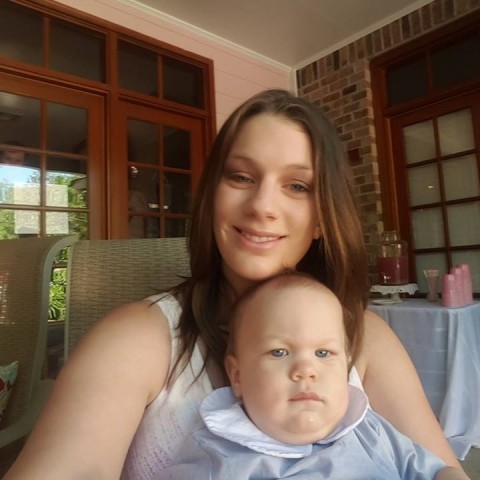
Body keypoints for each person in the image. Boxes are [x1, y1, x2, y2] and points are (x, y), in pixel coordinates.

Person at [4, 89, 467, 479]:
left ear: (322, 218)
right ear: (212, 197)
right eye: (241, 177)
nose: (262, 205)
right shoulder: (138, 338)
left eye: (297, 186)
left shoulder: (365, 336)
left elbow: (440, 469)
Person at [159, 271, 450, 479]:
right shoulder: (217, 458)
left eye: (323, 353)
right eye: (279, 352)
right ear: (237, 376)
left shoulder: (369, 430)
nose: (306, 370)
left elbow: (439, 472)